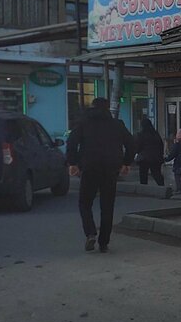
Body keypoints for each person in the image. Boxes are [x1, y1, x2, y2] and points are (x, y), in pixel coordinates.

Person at [66, 97, 135, 253]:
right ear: (107, 108)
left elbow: (71, 142)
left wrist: (73, 163)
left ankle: (90, 233)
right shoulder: (117, 124)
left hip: (89, 167)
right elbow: (131, 143)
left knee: (85, 203)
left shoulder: (83, 123)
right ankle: (104, 243)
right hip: (111, 169)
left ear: (92, 107)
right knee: (107, 206)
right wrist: (126, 163)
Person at [134, 117, 165, 187]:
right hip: (156, 158)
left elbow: (138, 146)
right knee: (157, 174)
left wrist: (137, 152)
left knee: (143, 175)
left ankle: (144, 189)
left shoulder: (141, 134)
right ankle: (162, 188)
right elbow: (161, 145)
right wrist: (161, 154)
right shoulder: (155, 134)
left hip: (144, 158)